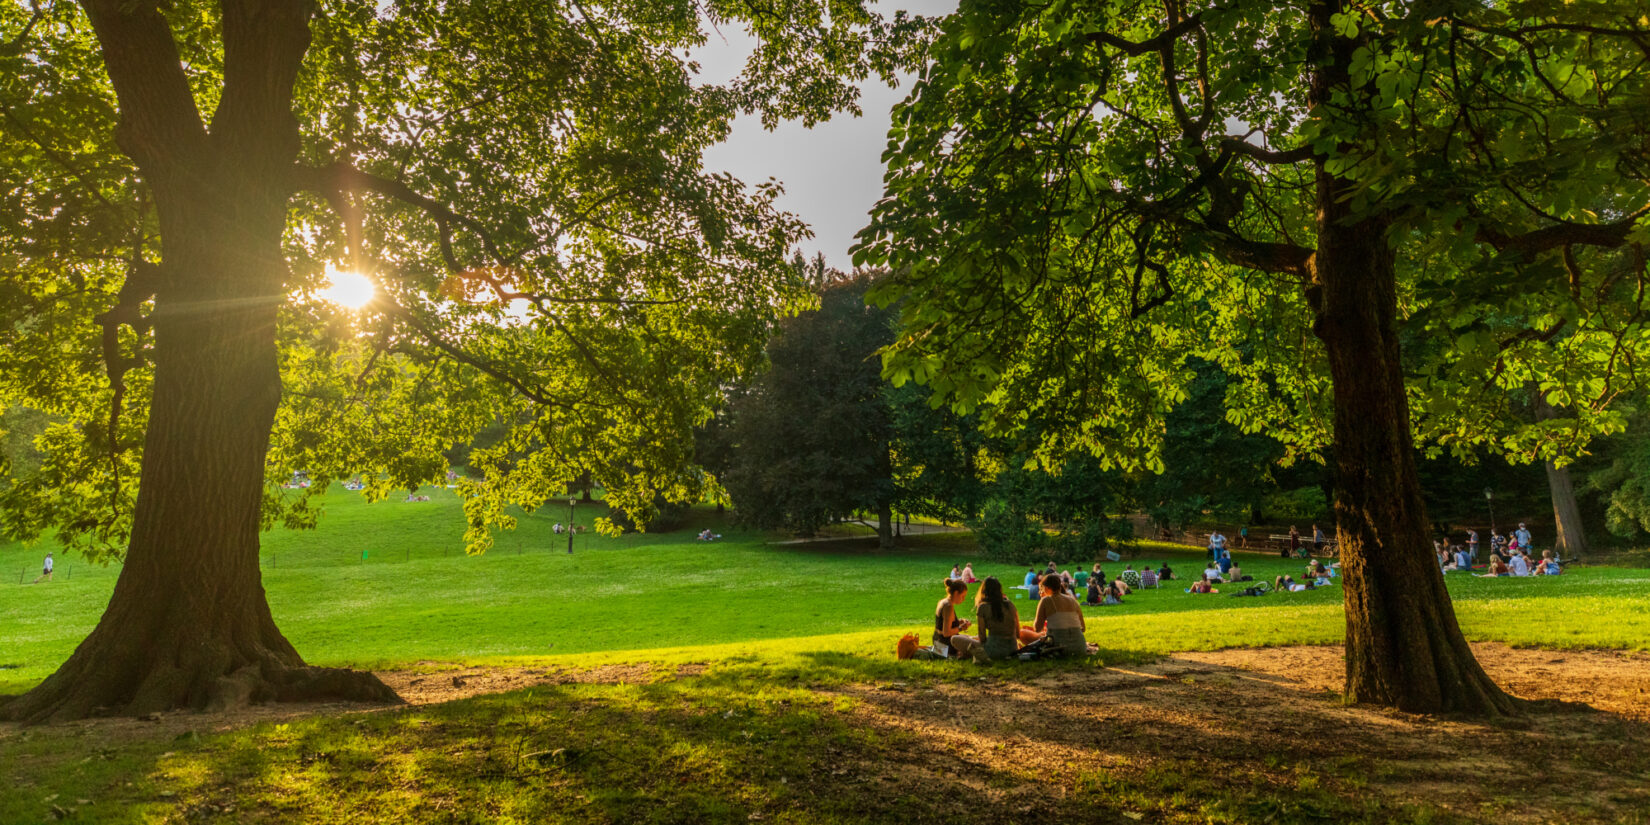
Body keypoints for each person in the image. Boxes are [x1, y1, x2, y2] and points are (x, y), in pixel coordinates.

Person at [1033, 575, 1088, 655]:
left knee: (1025, 634)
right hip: (1080, 647)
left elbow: (1037, 628)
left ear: (1046, 588)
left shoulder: (1045, 600)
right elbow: (1083, 628)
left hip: (1058, 648)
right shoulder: (1073, 600)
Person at [972, 577, 1022, 661]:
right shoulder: (1010, 604)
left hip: (993, 651)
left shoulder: (983, 607)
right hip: (1013, 649)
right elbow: (1018, 634)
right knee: (972, 638)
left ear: (984, 590)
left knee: (955, 639)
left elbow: (982, 637)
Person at [933, 579, 977, 658]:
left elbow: (944, 622)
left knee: (969, 638)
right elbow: (946, 633)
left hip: (937, 642)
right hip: (945, 647)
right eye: (962, 596)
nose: (963, 599)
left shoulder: (943, 602)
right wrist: (961, 627)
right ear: (956, 593)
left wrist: (959, 621)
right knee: (972, 643)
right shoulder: (948, 606)